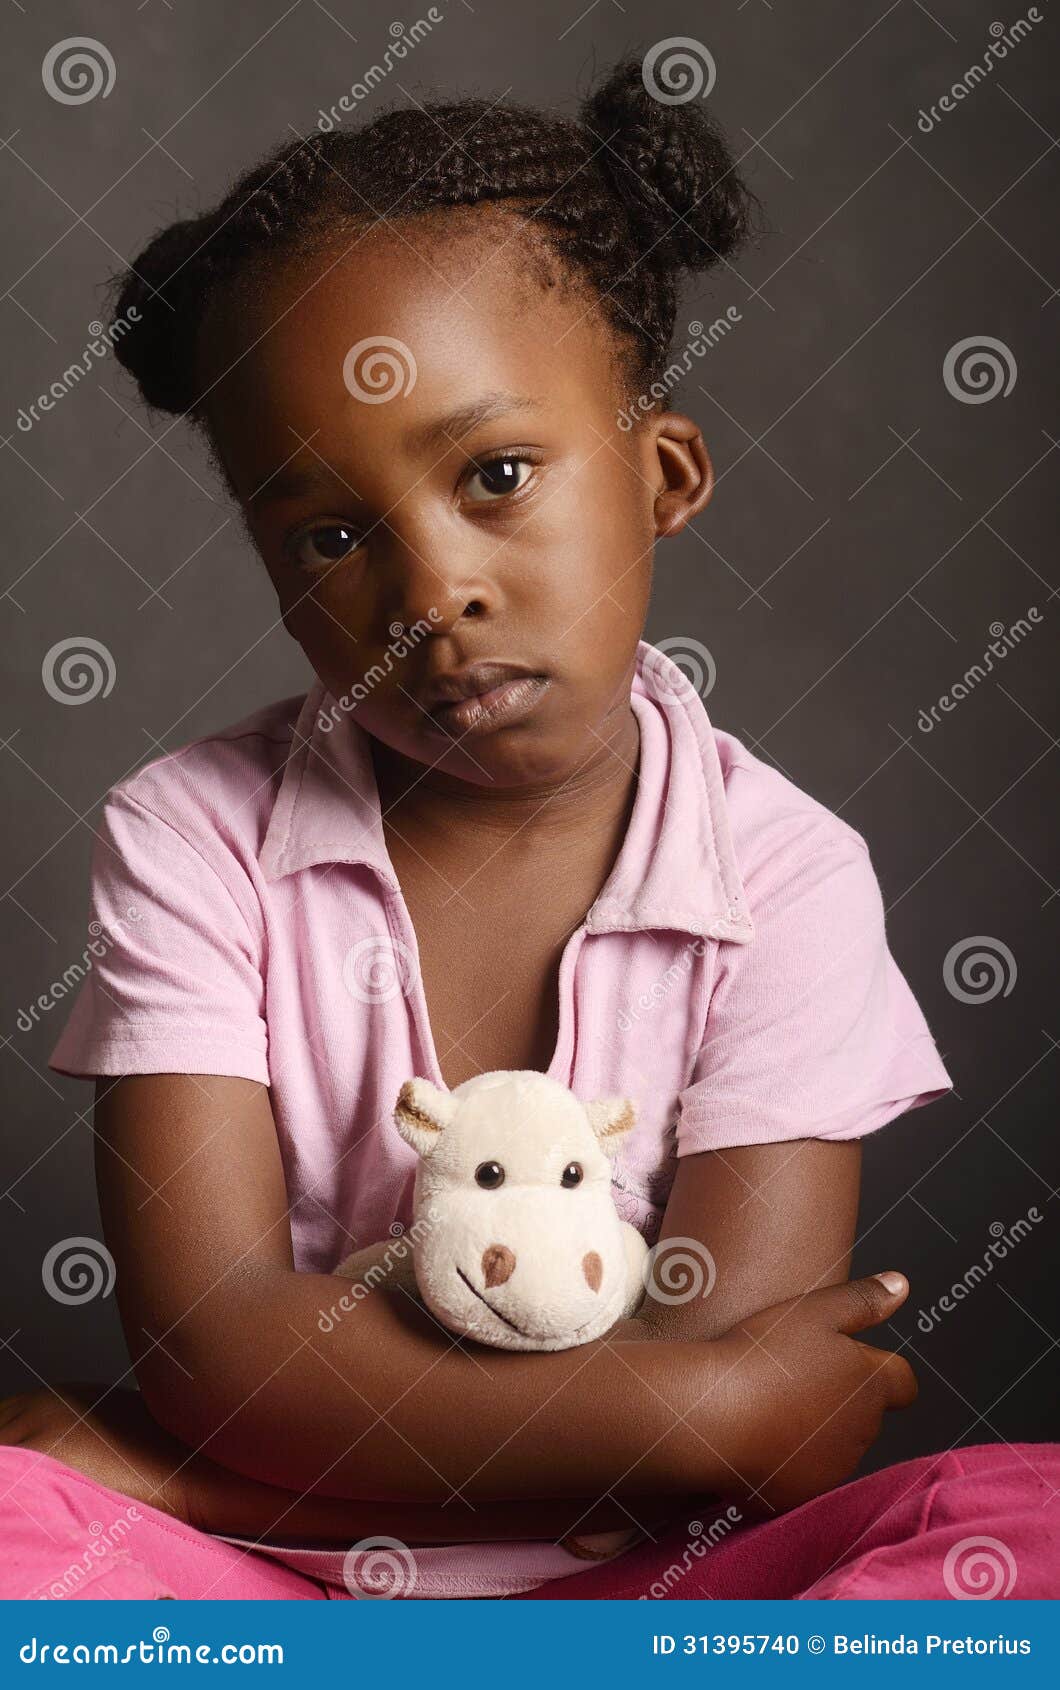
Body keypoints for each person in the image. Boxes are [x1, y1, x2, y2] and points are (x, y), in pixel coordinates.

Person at [5, 57, 1052, 1602]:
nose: (428, 597)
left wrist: (197, 1447)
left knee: (1019, 1525)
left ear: (663, 474)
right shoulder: (190, 836)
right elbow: (213, 1335)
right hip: (266, 1575)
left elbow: (714, 1435)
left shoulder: (787, 874)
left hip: (658, 1589)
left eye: (496, 474)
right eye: (331, 533)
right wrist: (701, 1405)